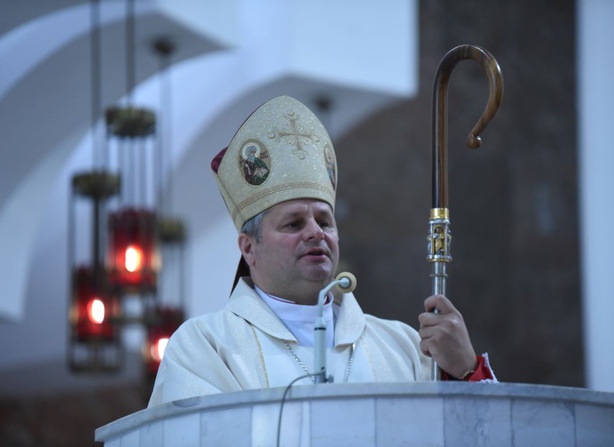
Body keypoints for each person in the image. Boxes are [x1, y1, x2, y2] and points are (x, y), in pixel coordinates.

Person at [147, 96, 495, 407]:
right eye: (294, 224)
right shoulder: (205, 349)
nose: (316, 232)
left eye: (325, 222)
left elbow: (481, 435)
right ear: (249, 248)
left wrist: (465, 369)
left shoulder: (403, 347)